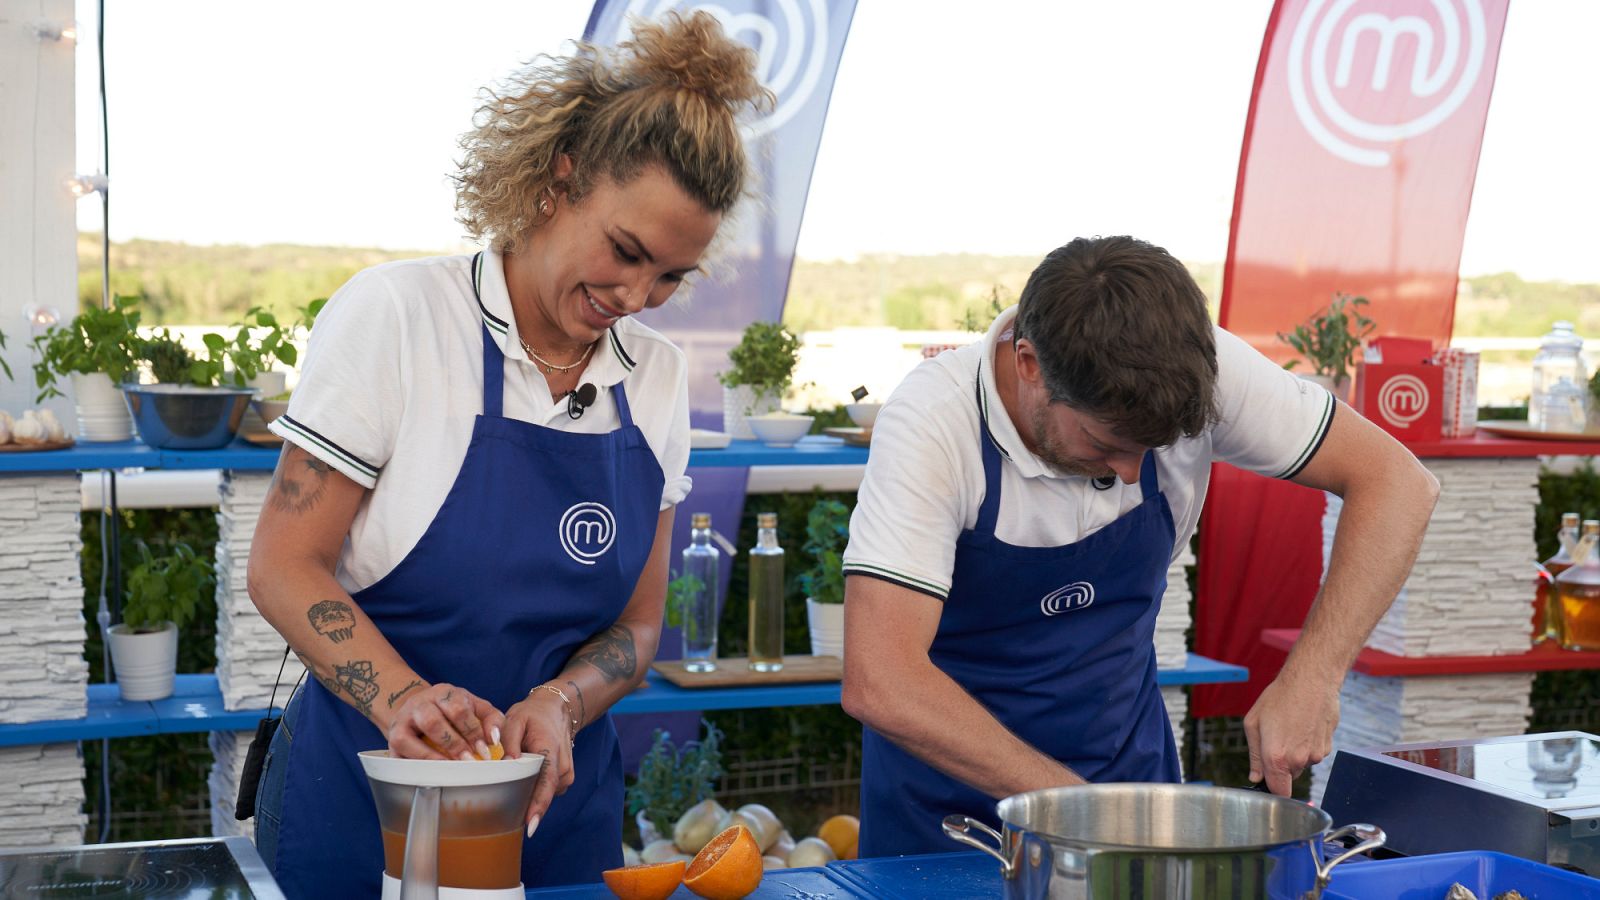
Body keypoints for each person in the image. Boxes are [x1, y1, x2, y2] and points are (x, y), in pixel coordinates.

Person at [246, 13, 769, 895]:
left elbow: (638, 627)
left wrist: (561, 702)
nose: (635, 296)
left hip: (557, 818)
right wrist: (405, 701)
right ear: (560, 178)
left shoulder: (656, 377)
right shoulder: (399, 318)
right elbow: (282, 565)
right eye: (626, 252)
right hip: (370, 809)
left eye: (669, 277)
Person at [839, 235, 1440, 857]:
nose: (1130, 474)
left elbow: (1399, 483)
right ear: (1029, 365)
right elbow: (882, 678)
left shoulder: (1192, 364)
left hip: (1130, 783)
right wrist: (1088, 814)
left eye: (1153, 449)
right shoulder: (935, 421)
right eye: (1105, 444)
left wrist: (1314, 676)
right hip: (945, 823)